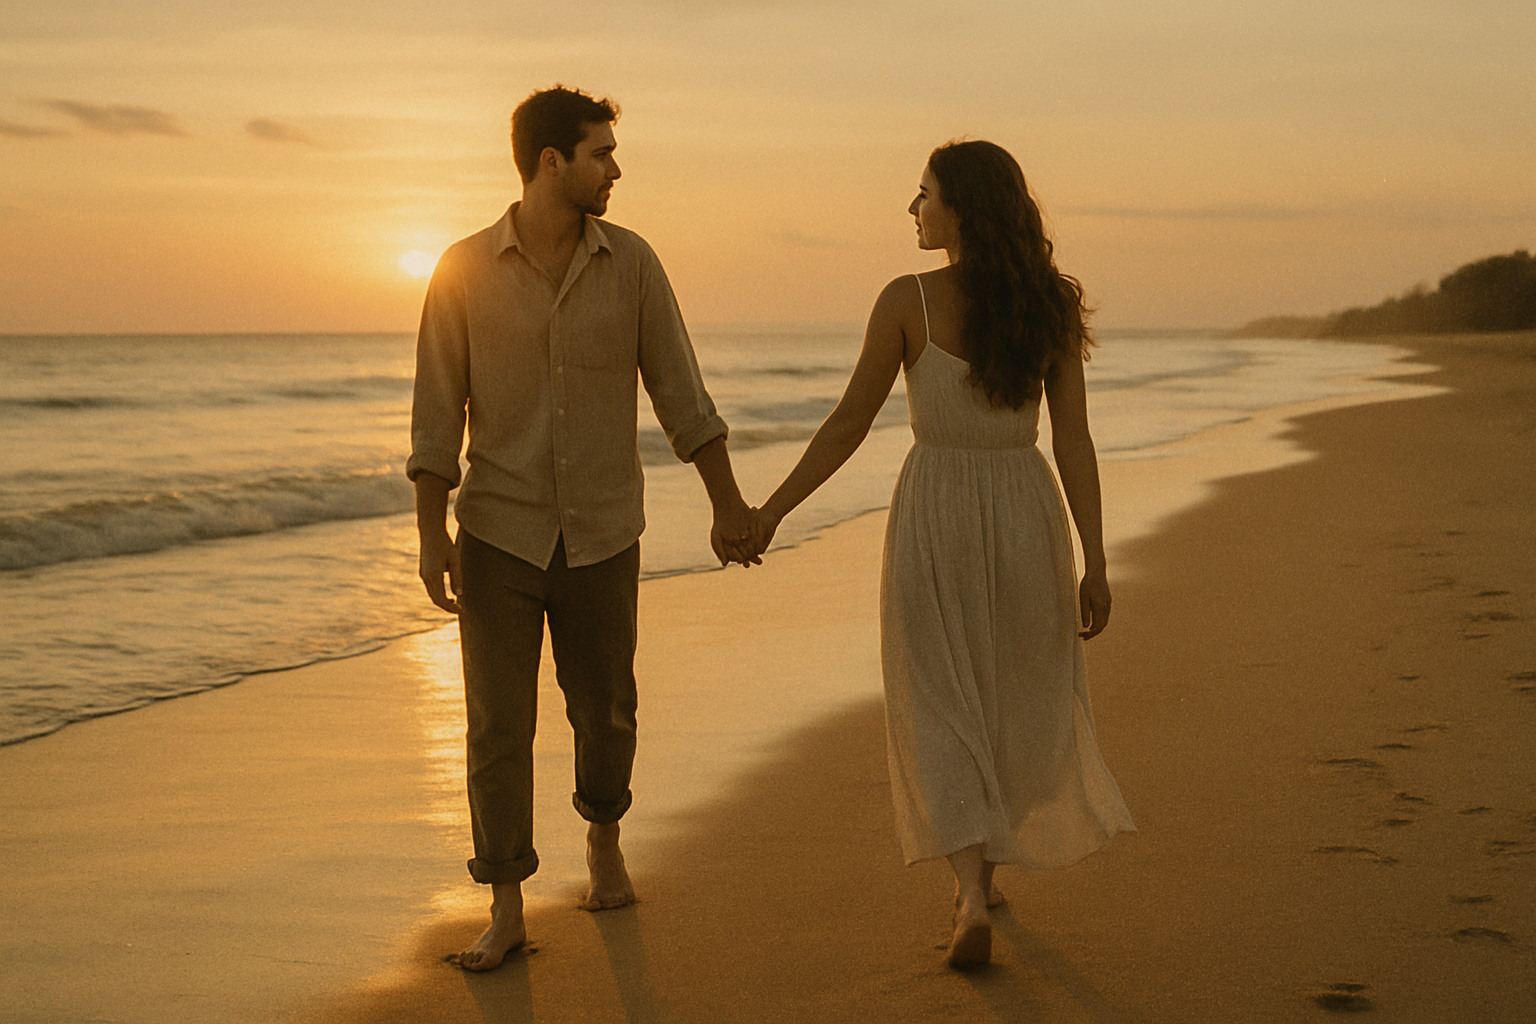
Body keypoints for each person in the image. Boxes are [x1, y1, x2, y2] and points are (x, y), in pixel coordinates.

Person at [748, 140, 1135, 969]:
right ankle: (982, 883)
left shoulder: (907, 300)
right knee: (1009, 695)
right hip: (1027, 512)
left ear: (961, 207)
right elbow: (1073, 438)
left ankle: (968, 893)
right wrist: (1095, 558)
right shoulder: (1048, 304)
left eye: (923, 194)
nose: (913, 209)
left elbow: (849, 423)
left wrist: (772, 511)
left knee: (939, 697)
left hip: (936, 514)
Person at [408, 85, 758, 972]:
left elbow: (682, 394)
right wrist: (430, 535)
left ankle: (603, 834)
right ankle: (506, 906)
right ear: (551, 161)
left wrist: (727, 504)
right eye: (601, 153)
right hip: (497, 534)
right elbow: (436, 416)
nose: (614, 170)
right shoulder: (460, 270)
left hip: (603, 532)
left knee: (606, 711)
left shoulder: (633, 265)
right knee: (497, 727)